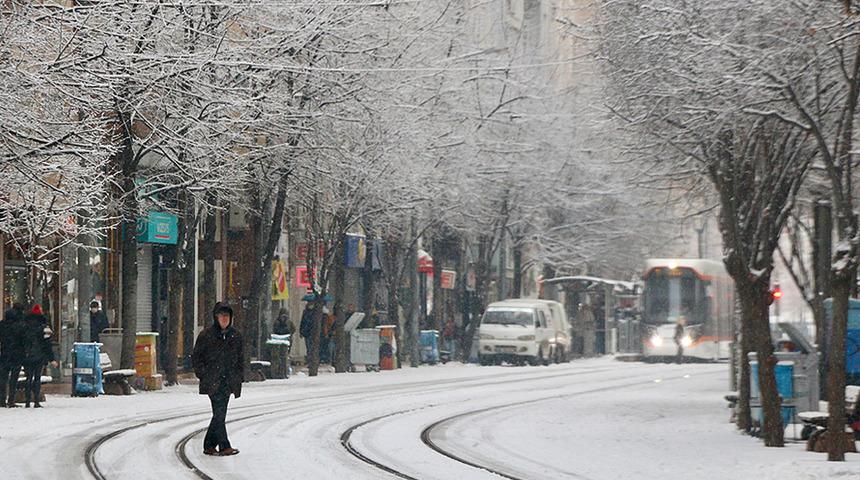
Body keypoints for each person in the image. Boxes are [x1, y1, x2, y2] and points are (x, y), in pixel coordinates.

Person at [192, 303, 243, 457]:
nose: (224, 319)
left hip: (228, 381)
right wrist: (203, 374)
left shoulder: (236, 336)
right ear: (216, 317)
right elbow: (197, 358)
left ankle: (209, 444)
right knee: (219, 413)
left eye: (227, 316)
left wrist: (239, 376)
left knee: (219, 414)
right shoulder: (206, 335)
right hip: (213, 381)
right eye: (221, 316)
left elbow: (241, 358)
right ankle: (224, 445)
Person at [21, 305, 57, 408]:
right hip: (39, 355)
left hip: (27, 356)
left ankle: (27, 401)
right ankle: (36, 400)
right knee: (37, 378)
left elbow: (21, 341)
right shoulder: (44, 327)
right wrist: (52, 359)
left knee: (28, 378)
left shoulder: (25, 325)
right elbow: (47, 345)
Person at [0, 303, 26, 407]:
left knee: (3, 378)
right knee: (14, 378)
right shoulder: (21, 325)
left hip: (5, 353)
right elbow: (24, 340)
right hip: (17, 354)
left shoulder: (2, 324)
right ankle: (11, 400)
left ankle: (1, 400)